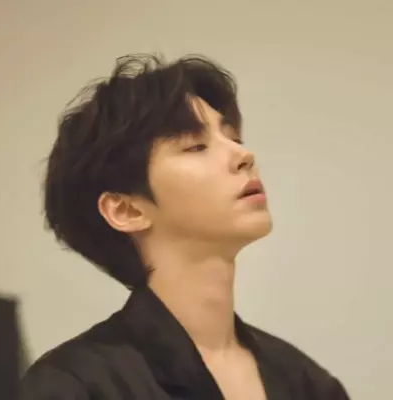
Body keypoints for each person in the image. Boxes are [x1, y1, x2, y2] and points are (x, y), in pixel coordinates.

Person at [20, 54, 350, 400]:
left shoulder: (306, 382)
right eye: (196, 146)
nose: (244, 155)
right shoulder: (75, 384)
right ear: (127, 209)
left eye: (234, 138)